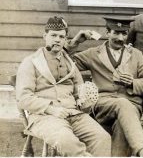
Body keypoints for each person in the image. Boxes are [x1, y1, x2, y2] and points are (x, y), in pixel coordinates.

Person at [16, 16, 111, 157]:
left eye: (61, 37)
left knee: (102, 138)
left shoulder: (70, 64)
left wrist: (83, 99)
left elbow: (79, 89)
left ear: (65, 40)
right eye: (53, 35)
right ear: (45, 36)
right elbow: (23, 98)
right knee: (67, 141)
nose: (57, 40)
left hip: (73, 114)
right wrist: (51, 109)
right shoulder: (31, 62)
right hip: (44, 116)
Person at [65, 16, 143, 157]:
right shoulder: (93, 53)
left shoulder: (136, 55)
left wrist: (132, 83)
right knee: (122, 103)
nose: (120, 38)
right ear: (107, 33)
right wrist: (75, 42)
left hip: (131, 107)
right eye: (116, 33)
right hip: (102, 106)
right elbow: (65, 63)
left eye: (124, 33)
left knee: (122, 126)